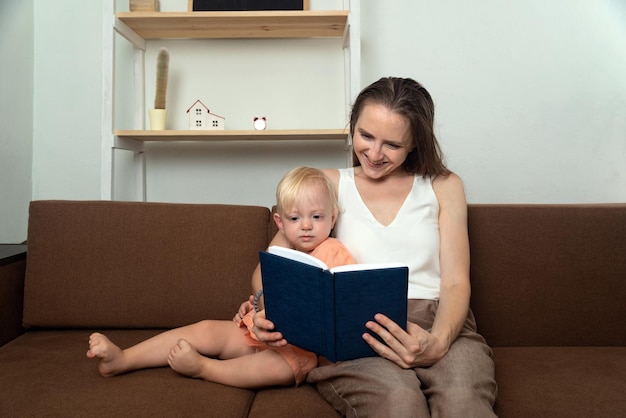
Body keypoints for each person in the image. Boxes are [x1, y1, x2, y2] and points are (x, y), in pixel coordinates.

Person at [245, 77, 498, 416]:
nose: (374, 154)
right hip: (358, 330)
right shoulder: (328, 183)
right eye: (365, 136)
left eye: (392, 144)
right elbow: (272, 270)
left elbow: (455, 281)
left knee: (463, 405)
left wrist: (437, 342)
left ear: (415, 144)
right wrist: (266, 309)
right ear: (353, 127)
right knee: (399, 405)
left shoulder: (444, 185)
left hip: (439, 320)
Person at [86, 166, 354, 388]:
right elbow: (264, 285)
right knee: (206, 329)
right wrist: (256, 304)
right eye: (295, 218)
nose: (306, 226)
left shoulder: (333, 250)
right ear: (281, 223)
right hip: (257, 330)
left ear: (332, 218)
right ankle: (124, 358)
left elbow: (340, 300)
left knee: (277, 368)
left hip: (297, 349)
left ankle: (204, 368)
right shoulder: (283, 248)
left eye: (316, 217)